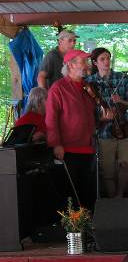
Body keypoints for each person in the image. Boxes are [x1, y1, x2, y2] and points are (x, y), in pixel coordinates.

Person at [45, 49, 111, 211]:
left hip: (88, 147)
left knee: (87, 192)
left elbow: (92, 118)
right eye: (83, 61)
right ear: (71, 65)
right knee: (71, 195)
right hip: (68, 149)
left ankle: (88, 229)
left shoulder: (87, 88)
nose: (87, 64)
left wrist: (102, 118)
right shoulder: (58, 87)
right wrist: (56, 144)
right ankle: (74, 231)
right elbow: (51, 119)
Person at [85, 47, 128, 198]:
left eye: (108, 58)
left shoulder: (122, 77)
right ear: (95, 62)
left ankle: (120, 195)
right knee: (107, 170)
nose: (106, 61)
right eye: (102, 59)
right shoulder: (89, 83)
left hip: (124, 126)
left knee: (125, 164)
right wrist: (101, 118)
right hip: (104, 131)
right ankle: (111, 198)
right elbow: (87, 112)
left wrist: (121, 101)